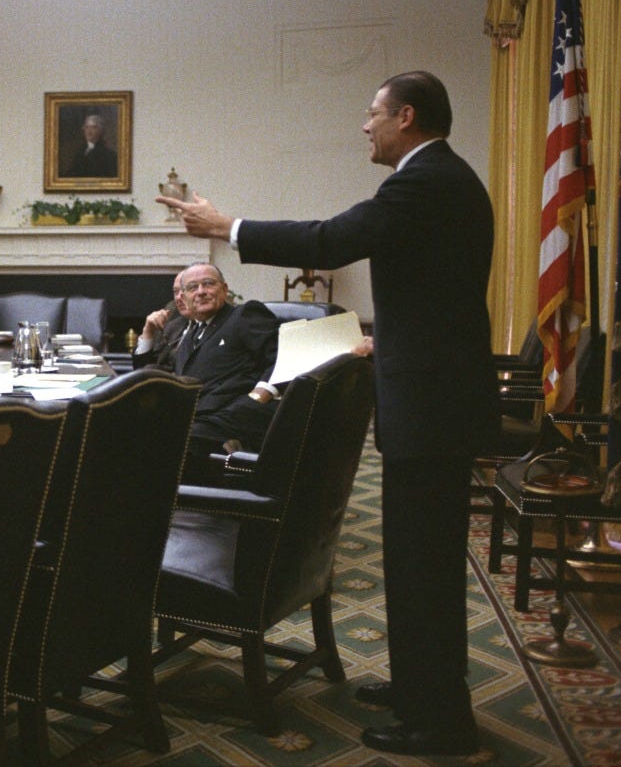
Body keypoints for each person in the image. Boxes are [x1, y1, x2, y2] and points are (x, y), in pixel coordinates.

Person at [157, 70, 498, 757]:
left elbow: (331, 239)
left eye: (372, 114)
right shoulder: (440, 179)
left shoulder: (423, 180)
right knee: (414, 561)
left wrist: (231, 228)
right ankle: (420, 688)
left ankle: (441, 721)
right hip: (431, 400)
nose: (364, 125)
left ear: (406, 116)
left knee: (424, 566)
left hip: (431, 410)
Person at [144, 262, 280, 481]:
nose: (201, 292)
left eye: (208, 284)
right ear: (184, 298)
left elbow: (280, 357)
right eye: (192, 287)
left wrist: (261, 394)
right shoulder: (191, 333)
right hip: (199, 415)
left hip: (234, 412)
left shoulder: (245, 315)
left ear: (224, 290)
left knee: (164, 442)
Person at [132, 269, 191, 372]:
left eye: (185, 289)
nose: (179, 297)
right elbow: (140, 369)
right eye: (176, 292)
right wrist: (148, 333)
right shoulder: (174, 323)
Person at [64, 114, 117, 178]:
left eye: (93, 127)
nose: (89, 131)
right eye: (86, 127)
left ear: (101, 131)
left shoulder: (109, 155)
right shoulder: (80, 152)